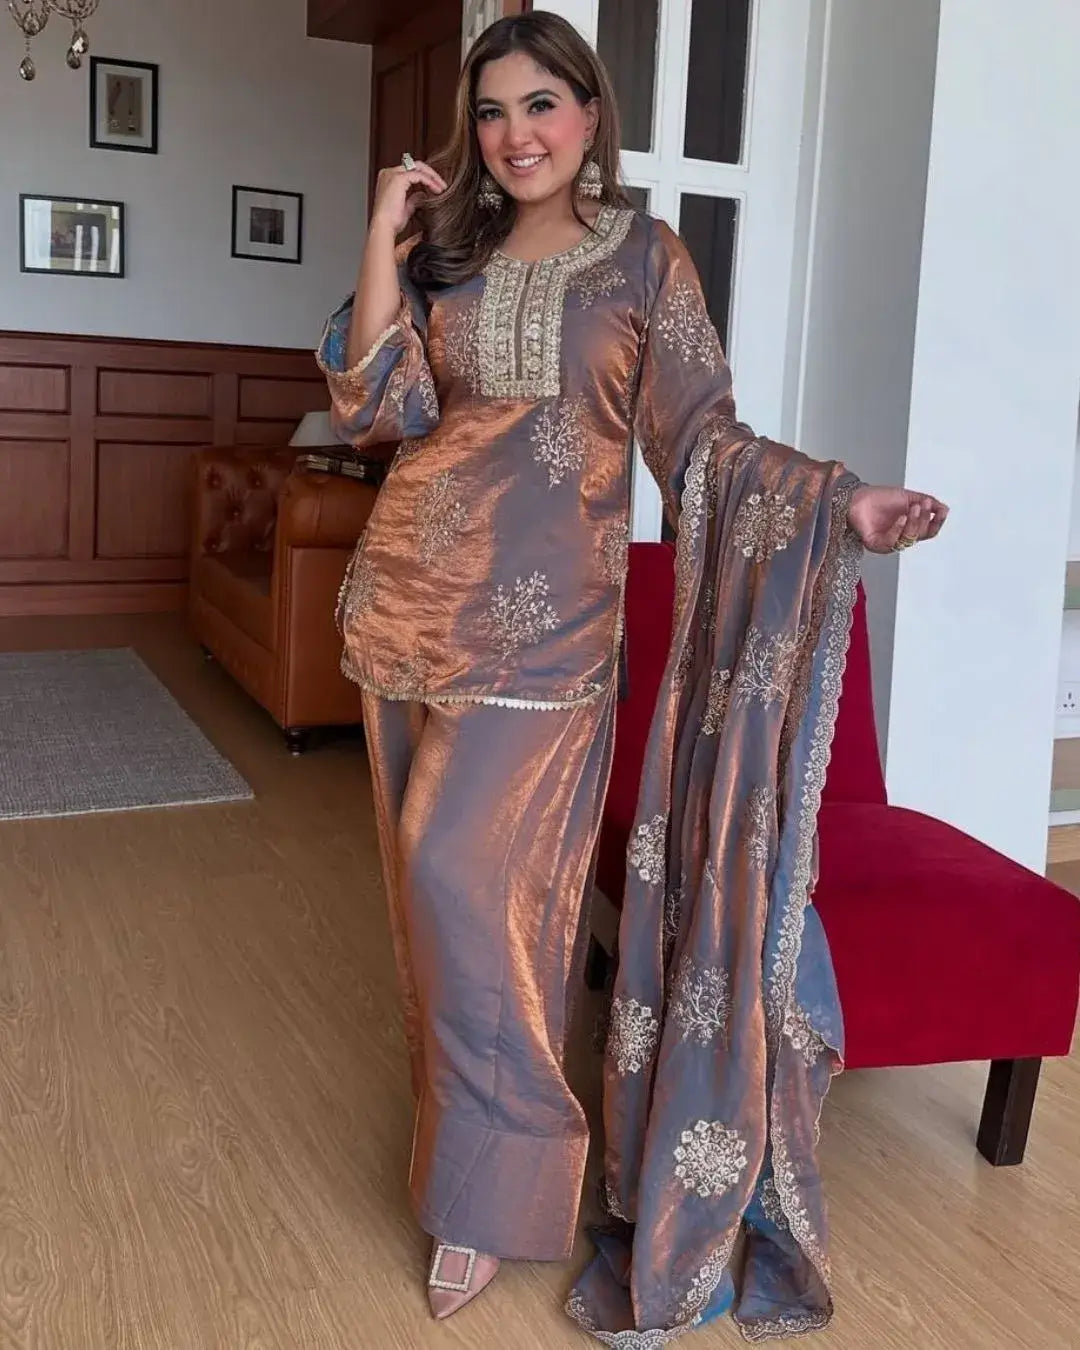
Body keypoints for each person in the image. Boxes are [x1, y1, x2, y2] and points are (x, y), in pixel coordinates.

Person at [317, 11, 947, 1345]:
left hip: (549, 640)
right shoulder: (451, 252)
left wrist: (839, 504)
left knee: (468, 880)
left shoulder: (645, 262)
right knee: (441, 909)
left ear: (591, 114)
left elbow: (704, 444)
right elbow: (378, 406)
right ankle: (471, 1158)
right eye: (493, 112)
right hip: (407, 611)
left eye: (543, 104)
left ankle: (494, 1191)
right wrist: (384, 227)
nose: (517, 134)